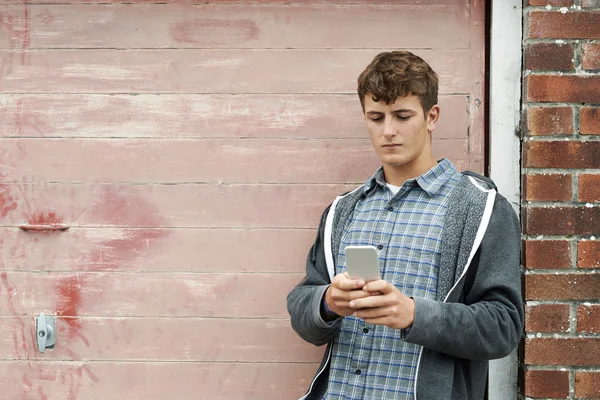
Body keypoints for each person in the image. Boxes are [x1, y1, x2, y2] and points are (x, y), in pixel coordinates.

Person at [286, 51, 523, 400]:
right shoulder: (344, 209)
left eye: (402, 116)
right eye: (376, 118)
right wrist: (328, 302)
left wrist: (415, 314)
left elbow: (503, 327)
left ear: (432, 116)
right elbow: (302, 306)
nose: (388, 131)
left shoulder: (482, 209)